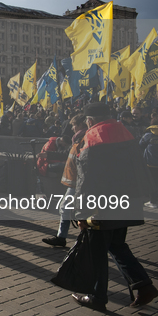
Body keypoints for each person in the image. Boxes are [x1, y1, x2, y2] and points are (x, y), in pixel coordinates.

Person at [71, 102, 158, 311]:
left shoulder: (92, 137)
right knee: (117, 245)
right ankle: (144, 286)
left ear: (90, 120)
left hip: (102, 207)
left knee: (97, 250)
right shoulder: (125, 131)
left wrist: (80, 212)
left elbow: (86, 179)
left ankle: (97, 297)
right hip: (127, 201)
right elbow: (139, 167)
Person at [42, 114, 87, 247]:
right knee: (69, 208)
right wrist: (49, 154)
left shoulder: (83, 139)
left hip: (80, 180)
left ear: (80, 125)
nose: (72, 128)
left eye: (74, 125)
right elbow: (67, 153)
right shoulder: (78, 139)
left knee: (70, 208)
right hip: (76, 180)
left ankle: (71, 238)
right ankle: (64, 237)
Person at [139, 117, 158, 208]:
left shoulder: (148, 135)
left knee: (152, 183)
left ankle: (153, 201)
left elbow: (140, 144)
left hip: (150, 163)